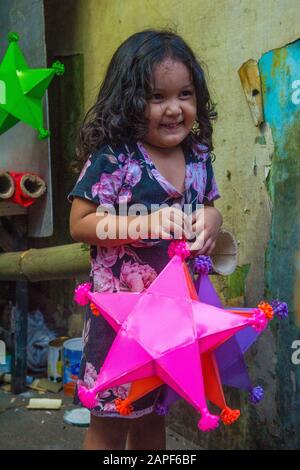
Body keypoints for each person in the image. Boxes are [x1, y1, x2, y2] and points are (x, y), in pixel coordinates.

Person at [68, 29, 222, 450]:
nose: (174, 109)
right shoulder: (115, 158)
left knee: (154, 416)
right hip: (120, 323)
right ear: (129, 100)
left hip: (175, 319)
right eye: (157, 97)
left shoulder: (198, 156)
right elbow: (80, 223)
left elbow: (209, 205)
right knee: (110, 422)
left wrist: (211, 219)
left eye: (185, 94)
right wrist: (144, 223)